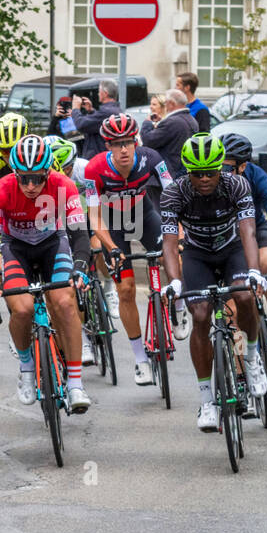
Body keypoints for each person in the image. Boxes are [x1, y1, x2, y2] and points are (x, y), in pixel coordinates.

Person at [159, 133, 266, 431]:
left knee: (245, 297)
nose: (204, 178)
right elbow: (169, 243)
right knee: (202, 316)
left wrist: (254, 270)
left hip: (232, 250)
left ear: (221, 168)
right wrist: (176, 282)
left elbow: (248, 232)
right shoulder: (174, 193)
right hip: (197, 255)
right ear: (187, 171)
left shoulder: (237, 185)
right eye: (197, 173)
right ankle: (207, 401)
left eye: (210, 172)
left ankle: (253, 360)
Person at [0, 134, 93, 413]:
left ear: (48, 172)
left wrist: (80, 267)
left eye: (38, 178)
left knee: (65, 303)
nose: (31, 186)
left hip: (53, 244)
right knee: (21, 309)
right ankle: (27, 367)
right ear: (15, 173)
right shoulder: (1, 190)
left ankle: (76, 384)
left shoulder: (63, 185)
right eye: (24, 178)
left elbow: (80, 236)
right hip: (16, 248)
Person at [82, 114, 174, 385]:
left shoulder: (152, 158)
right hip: (114, 223)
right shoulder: (94, 170)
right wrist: (110, 246)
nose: (123, 148)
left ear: (136, 142)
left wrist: (176, 229)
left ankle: (176, 304)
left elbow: (172, 195)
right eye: (116, 143)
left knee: (172, 254)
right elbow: (95, 216)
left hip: (143, 214)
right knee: (126, 289)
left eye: (128, 142)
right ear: (107, 146)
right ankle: (140, 360)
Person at [223, 133, 267, 354]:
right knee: (232, 311)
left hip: (256, 227)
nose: (219, 172)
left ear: (242, 166)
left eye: (226, 167)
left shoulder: (258, 177)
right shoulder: (212, 179)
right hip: (225, 234)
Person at [140, 89, 199, 179]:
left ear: (171, 103)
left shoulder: (172, 122)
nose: (165, 105)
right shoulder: (192, 120)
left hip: (168, 174)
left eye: (166, 102)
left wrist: (147, 122)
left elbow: (148, 141)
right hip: (184, 171)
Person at [71, 79, 123, 157]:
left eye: (99, 91)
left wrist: (75, 109)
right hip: (104, 154)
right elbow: (98, 123)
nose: (98, 94)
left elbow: (81, 125)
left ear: (105, 93)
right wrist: (91, 111)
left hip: (98, 157)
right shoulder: (114, 110)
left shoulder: (106, 112)